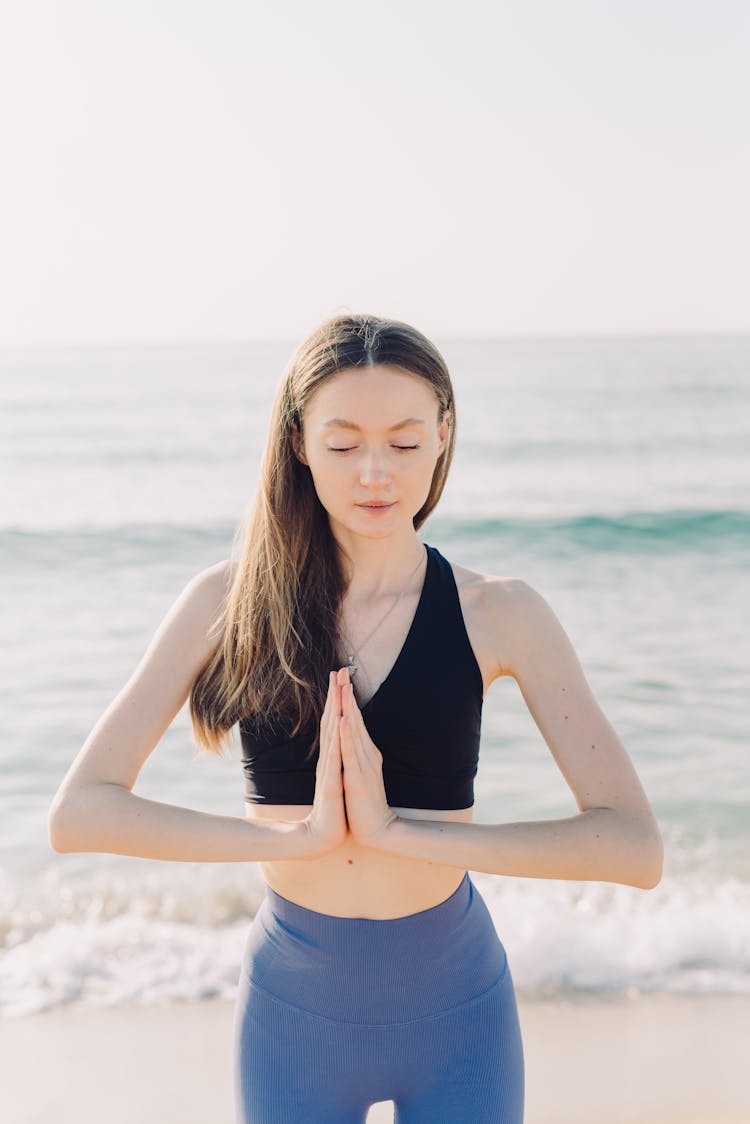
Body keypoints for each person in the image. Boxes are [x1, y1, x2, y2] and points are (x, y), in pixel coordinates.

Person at [48, 313, 664, 1123]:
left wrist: (405, 834)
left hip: (459, 1013)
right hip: (295, 1019)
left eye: (406, 443)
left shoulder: (502, 613)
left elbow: (634, 847)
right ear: (298, 441)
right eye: (343, 445)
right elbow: (80, 813)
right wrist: (292, 840)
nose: (376, 472)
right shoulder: (228, 604)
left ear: (444, 435)